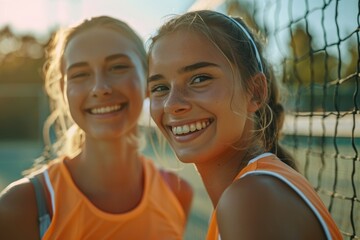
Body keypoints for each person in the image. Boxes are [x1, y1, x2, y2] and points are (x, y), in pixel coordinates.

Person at [147, 10, 342, 240]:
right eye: (160, 88)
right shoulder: (254, 190)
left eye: (199, 78)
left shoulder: (250, 199)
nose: (172, 104)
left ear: (255, 92)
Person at [0, 16, 193, 239]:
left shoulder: (177, 192)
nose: (100, 88)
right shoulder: (22, 206)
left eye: (118, 67)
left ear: (148, 80)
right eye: (80, 74)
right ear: (64, 90)